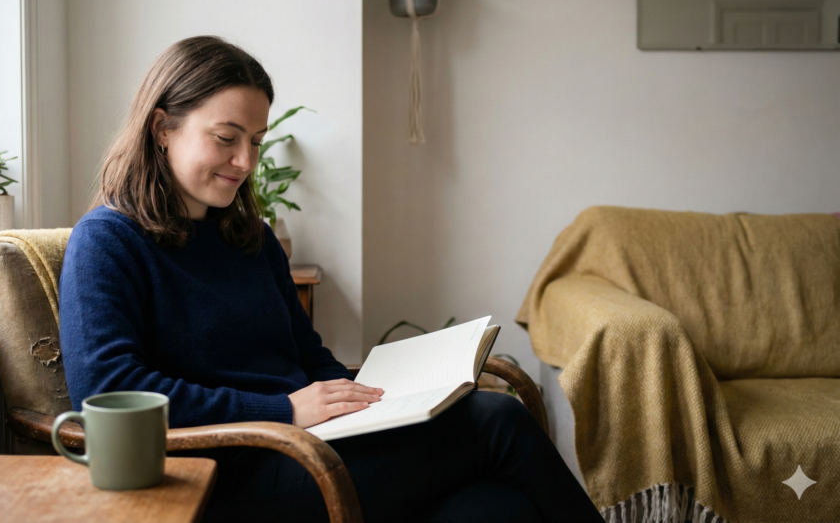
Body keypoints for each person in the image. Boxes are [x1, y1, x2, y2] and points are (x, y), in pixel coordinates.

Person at [59, 36, 603, 523]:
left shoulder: (250, 239)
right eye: (226, 138)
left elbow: (307, 356)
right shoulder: (107, 241)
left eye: (255, 139)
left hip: (310, 450)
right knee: (497, 420)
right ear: (162, 128)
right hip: (224, 476)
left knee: (497, 508)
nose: (246, 160)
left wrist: (383, 401)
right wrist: (285, 410)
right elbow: (108, 392)